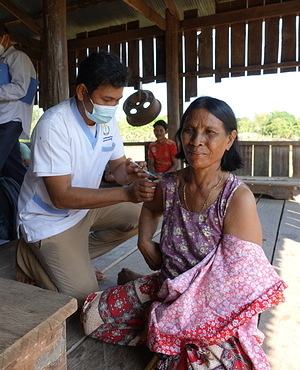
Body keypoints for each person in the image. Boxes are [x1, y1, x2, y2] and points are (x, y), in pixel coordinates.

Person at [81, 96, 287, 369]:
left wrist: (181, 312)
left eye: (210, 132)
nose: (196, 140)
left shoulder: (237, 198)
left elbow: (238, 287)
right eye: (189, 130)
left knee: (200, 363)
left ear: (229, 139)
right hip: (167, 285)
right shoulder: (169, 184)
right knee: (92, 317)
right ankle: (165, 332)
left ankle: (168, 335)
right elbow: (150, 208)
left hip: (213, 308)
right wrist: (144, 241)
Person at [16, 51, 157, 305]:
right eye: (106, 99)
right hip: (50, 220)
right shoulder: (54, 125)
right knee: (85, 300)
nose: (112, 107)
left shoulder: (105, 121)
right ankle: (29, 256)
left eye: (117, 100)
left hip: (84, 210)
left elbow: (117, 168)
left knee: (141, 218)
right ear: (82, 92)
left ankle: (73, 259)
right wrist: (127, 193)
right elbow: (60, 197)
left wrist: (131, 172)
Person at [0, 24, 37, 186]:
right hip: (3, 118)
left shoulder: (17, 57)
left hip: (11, 118)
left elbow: (21, 88)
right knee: (12, 166)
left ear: (5, 38)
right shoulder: (3, 59)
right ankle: (29, 197)